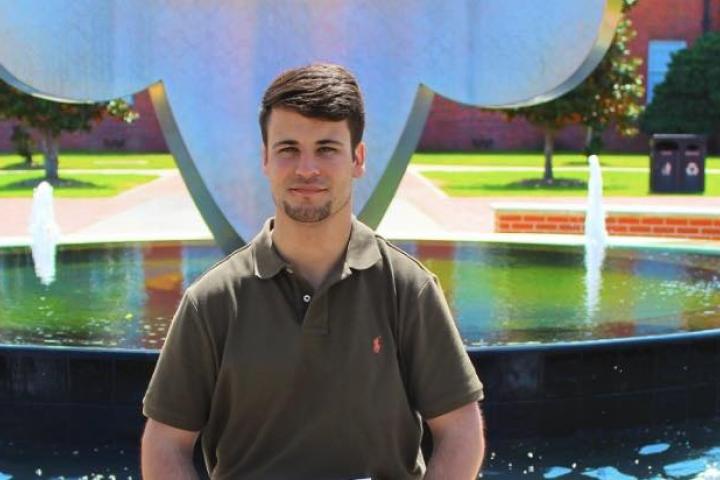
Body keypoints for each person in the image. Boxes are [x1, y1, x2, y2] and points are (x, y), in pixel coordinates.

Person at [141, 63, 485, 480]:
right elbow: (165, 444)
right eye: (288, 148)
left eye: (326, 148)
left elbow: (460, 430)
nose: (307, 169)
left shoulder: (407, 290)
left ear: (357, 158)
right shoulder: (212, 301)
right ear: (266, 158)